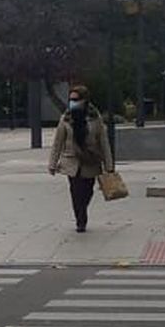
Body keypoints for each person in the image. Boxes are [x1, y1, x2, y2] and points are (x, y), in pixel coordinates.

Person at [48, 83, 115, 233]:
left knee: (87, 191)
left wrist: (109, 166)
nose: (73, 102)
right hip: (71, 161)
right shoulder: (66, 118)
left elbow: (103, 142)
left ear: (84, 100)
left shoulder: (95, 118)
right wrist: (52, 163)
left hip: (90, 161)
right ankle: (81, 220)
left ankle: (82, 209)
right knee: (75, 191)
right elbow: (58, 142)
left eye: (76, 99)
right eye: (71, 99)